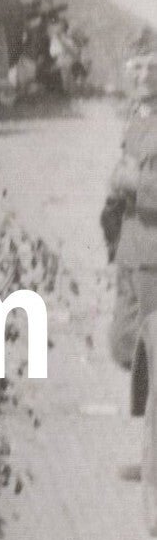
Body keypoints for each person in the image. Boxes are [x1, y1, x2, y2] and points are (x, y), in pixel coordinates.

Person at [102, 52, 157, 376]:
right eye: (138, 67)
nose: (145, 75)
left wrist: (137, 183)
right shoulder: (139, 115)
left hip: (153, 256)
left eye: (153, 68)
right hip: (130, 248)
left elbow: (136, 178)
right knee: (123, 343)